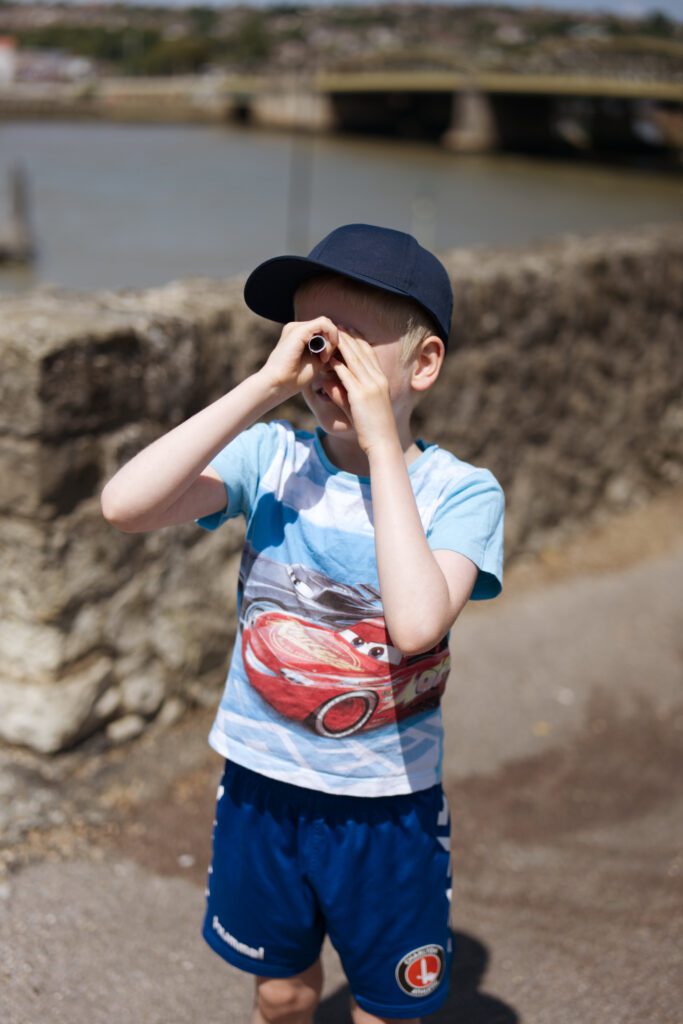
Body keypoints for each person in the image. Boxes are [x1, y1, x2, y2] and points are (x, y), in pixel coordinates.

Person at [100, 222, 505, 1024]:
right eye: (313, 340)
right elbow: (125, 505)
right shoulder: (271, 459)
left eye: (351, 343)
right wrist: (264, 386)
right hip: (262, 788)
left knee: (385, 1008)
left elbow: (416, 625)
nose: (327, 365)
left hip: (385, 805)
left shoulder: (462, 493)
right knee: (282, 992)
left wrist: (381, 445)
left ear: (423, 364)